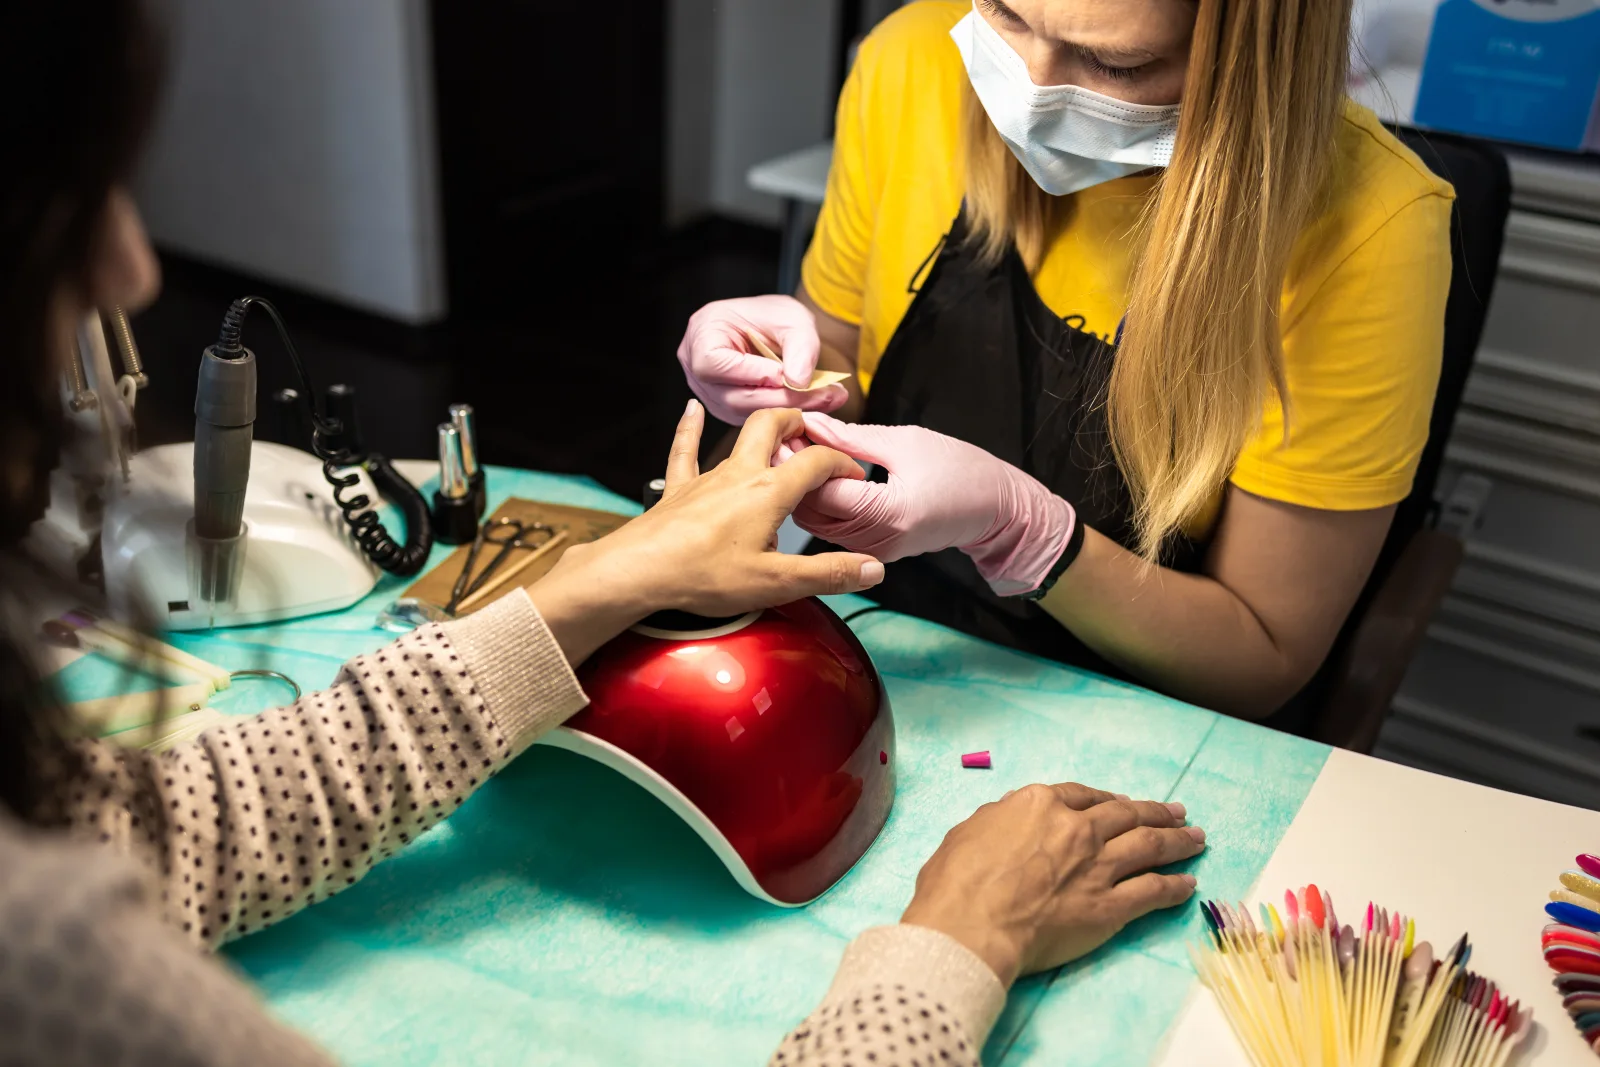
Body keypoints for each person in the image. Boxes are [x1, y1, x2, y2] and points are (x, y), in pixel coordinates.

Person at [0, 4, 1207, 1065]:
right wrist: (956, 948)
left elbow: (163, 826)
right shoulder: (43, 950)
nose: (133, 265)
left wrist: (610, 575)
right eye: (59, 197)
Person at [677, 0, 1454, 725]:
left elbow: (1263, 657)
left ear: (1251, 52)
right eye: (1007, 16)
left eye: (1116, 65)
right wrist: (779, 377)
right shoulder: (909, 62)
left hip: (1136, 706)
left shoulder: (1370, 225)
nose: (1029, 93)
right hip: (888, 639)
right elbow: (840, 361)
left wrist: (1028, 534)